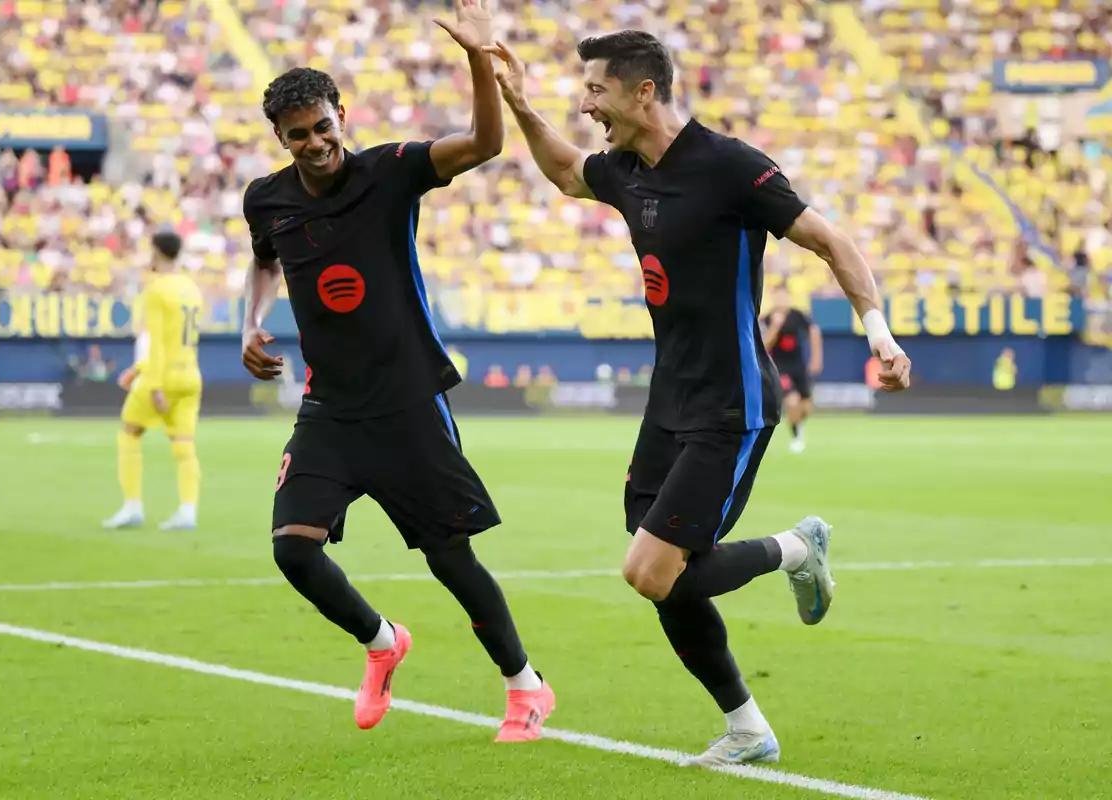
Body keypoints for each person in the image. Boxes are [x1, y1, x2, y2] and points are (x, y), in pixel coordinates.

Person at [484, 30, 911, 766]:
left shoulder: (730, 166)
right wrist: (516, 99)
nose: (586, 105)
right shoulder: (626, 170)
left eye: (596, 90)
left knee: (649, 570)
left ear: (643, 91)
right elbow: (562, 171)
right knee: (666, 579)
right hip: (668, 403)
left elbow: (832, 241)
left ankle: (795, 548)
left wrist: (879, 332)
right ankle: (748, 729)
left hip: (731, 404)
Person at [238, 0, 554, 743]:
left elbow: (483, 142)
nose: (315, 143)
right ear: (279, 139)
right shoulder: (267, 198)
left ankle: (525, 686)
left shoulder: (391, 171)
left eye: (323, 126)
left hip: (409, 401)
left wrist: (478, 55)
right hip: (331, 409)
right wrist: (251, 320)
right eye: (298, 135)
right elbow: (263, 259)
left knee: (450, 559)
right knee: (293, 549)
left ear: (340, 115)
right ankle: (383, 642)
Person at [104, 231, 203, 531]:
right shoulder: (190, 287)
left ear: (156, 252)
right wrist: (138, 368)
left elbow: (158, 341)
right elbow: (179, 339)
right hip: (190, 375)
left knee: (129, 432)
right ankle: (188, 511)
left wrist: (154, 382)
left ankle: (132, 506)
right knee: (184, 444)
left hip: (164, 376)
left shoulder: (157, 289)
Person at [761, 285, 822, 453]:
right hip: (780, 368)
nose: (781, 301)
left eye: (784, 297)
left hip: (799, 367)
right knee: (792, 401)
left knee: (806, 407)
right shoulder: (767, 319)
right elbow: (765, 345)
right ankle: (796, 437)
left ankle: (798, 425)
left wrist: (816, 358)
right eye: (778, 297)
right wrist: (775, 326)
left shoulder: (797, 315)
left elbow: (814, 331)